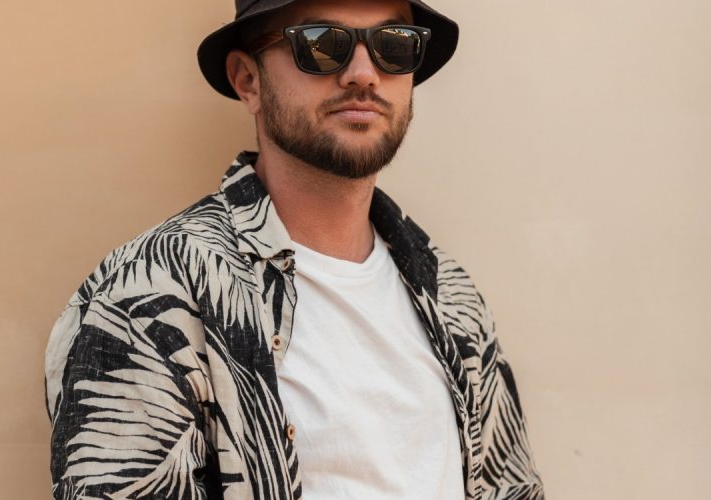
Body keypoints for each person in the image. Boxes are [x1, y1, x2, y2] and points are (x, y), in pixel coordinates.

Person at [44, 0, 544, 498]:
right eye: (323, 44)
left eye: (394, 46)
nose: (364, 74)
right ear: (248, 80)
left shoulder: (449, 293)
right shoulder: (153, 293)